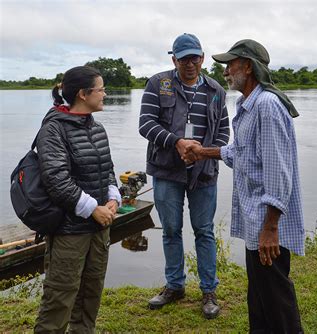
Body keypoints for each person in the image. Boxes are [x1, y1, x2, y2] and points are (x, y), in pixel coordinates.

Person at [182, 39, 305, 333]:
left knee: (276, 298)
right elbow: (240, 153)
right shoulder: (248, 105)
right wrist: (203, 151)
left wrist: (271, 227)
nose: (225, 71)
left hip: (267, 224)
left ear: (247, 67)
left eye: (230, 64)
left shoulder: (267, 106)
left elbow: (278, 171)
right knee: (260, 295)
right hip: (257, 222)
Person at [138, 33, 229, 319]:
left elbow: (225, 132)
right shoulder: (158, 84)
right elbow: (145, 124)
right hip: (166, 170)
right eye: (184, 58)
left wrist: (204, 152)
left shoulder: (216, 90)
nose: (190, 63)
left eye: (195, 57)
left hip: (204, 172)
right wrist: (176, 142)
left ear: (202, 58)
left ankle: (208, 291)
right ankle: (175, 286)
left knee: (204, 230)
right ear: (174, 59)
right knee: (171, 230)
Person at [34, 66, 121, 333]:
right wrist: (93, 209)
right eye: (101, 89)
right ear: (83, 94)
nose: (105, 94)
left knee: (89, 297)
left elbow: (107, 170)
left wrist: (113, 199)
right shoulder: (53, 130)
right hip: (69, 231)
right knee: (59, 300)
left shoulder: (98, 129)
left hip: (98, 228)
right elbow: (56, 181)